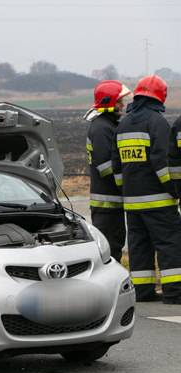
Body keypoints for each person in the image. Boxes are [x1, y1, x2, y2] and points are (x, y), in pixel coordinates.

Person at [112, 75, 181, 304]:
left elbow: (116, 165)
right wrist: (173, 189)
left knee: (139, 246)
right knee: (169, 243)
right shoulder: (157, 122)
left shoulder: (123, 124)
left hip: (131, 201)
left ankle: (141, 292)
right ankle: (174, 293)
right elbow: (162, 161)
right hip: (159, 200)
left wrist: (127, 190)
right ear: (160, 96)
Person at [85, 80, 131, 261]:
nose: (123, 105)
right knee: (110, 250)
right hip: (107, 204)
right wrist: (127, 180)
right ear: (109, 103)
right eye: (119, 101)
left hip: (111, 203)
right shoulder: (102, 128)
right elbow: (105, 167)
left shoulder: (106, 125)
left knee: (115, 245)